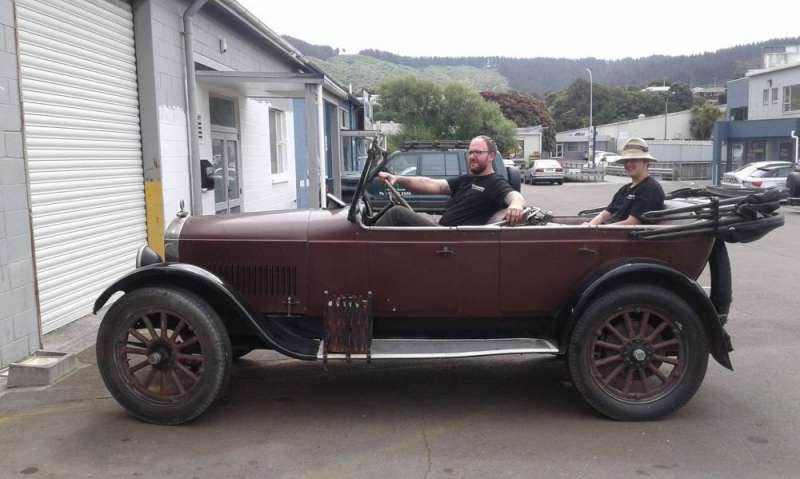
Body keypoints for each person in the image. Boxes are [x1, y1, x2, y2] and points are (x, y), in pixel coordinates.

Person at [375, 136, 527, 226]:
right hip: (440, 226)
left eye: (478, 152)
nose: (472, 156)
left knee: (396, 213)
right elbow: (433, 184)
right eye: (470, 152)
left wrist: (516, 205)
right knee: (398, 212)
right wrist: (397, 178)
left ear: (491, 156)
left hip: (448, 238)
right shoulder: (467, 179)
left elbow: (514, 195)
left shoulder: (495, 182)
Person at [588, 138, 665, 225]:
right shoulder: (624, 189)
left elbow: (632, 223)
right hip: (607, 231)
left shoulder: (650, 189)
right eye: (626, 160)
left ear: (646, 162)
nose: (628, 164)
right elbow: (604, 215)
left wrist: (598, 230)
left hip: (622, 236)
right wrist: (589, 226)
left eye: (634, 160)